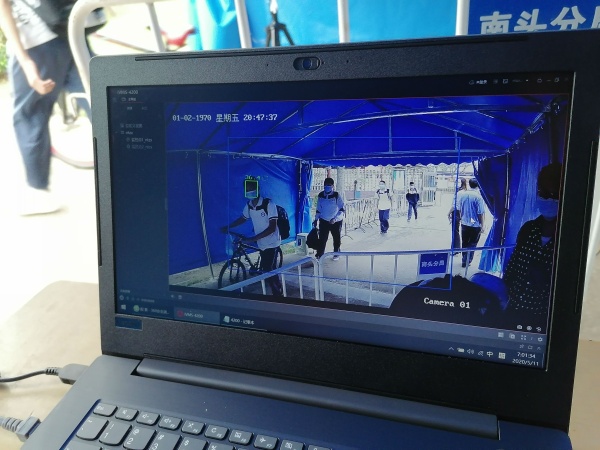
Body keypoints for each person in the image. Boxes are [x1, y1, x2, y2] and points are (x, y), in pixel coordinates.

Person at [0, 0, 91, 215]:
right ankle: (142, 166)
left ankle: (38, 192)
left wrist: (25, 62)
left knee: (30, 116)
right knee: (99, 101)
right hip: (68, 27)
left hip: (35, 41)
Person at [503, 163, 562, 330]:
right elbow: (512, 268)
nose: (548, 200)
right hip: (513, 311)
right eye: (543, 194)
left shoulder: (570, 237)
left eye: (554, 195)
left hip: (545, 321)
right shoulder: (528, 229)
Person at [220, 178, 283, 296]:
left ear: (258, 189)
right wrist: (229, 227)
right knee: (270, 268)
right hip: (261, 243)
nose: (250, 191)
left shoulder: (269, 204)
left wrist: (253, 239)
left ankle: (277, 294)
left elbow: (272, 228)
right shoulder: (249, 205)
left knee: (268, 269)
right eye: (247, 189)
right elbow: (243, 218)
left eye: (252, 188)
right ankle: (277, 286)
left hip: (272, 242)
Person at [312, 177, 345, 260]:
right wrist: (316, 219)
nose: (327, 187)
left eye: (329, 185)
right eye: (326, 185)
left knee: (336, 238)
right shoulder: (320, 195)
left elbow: (342, 209)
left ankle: (336, 253)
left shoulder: (336, 195)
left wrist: (335, 219)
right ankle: (320, 255)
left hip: (335, 221)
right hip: (323, 220)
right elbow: (318, 209)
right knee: (322, 239)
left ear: (333, 186)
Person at [457, 178, 485, 268]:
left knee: (465, 242)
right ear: (478, 186)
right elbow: (480, 213)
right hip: (475, 225)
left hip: (464, 223)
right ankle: (467, 260)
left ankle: (464, 259)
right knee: (472, 243)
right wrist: (482, 225)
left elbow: (459, 209)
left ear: (469, 184)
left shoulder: (463, 195)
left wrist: (462, 218)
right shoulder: (479, 197)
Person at [447, 178, 467, 253]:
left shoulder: (459, 193)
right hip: (462, 212)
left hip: (456, 212)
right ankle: (456, 248)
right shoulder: (464, 192)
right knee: (457, 230)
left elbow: (455, 205)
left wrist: (448, 213)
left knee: (455, 231)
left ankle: (455, 249)